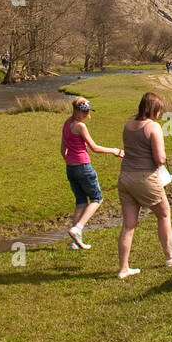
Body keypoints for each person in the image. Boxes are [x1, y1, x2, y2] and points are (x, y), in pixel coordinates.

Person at [116, 91, 172, 278]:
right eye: (159, 110)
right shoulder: (153, 127)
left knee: (128, 225)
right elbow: (159, 158)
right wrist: (165, 159)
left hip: (125, 177)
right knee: (164, 214)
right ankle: (169, 256)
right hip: (145, 178)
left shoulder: (127, 126)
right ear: (154, 110)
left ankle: (123, 268)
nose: (160, 114)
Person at [63, 96, 124, 250]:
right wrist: (115, 151)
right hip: (83, 166)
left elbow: (62, 150)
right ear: (76, 110)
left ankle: (74, 242)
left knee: (81, 202)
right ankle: (78, 229)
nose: (86, 114)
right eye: (83, 111)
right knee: (97, 198)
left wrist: (70, 161)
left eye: (87, 111)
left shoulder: (66, 124)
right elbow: (95, 148)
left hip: (70, 168)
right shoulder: (80, 127)